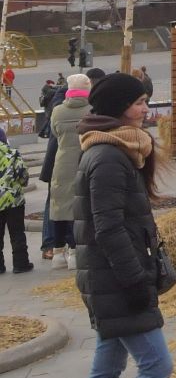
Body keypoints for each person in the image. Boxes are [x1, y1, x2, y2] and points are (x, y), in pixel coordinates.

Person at [73, 71, 174, 378]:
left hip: (108, 278)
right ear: (118, 107)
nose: (145, 109)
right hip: (116, 280)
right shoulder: (109, 156)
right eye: (138, 103)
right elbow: (108, 227)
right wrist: (135, 280)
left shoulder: (116, 149)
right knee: (156, 365)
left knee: (107, 367)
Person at [40, 69, 104, 267]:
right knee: (81, 208)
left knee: (59, 207)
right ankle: (76, 253)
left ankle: (58, 253)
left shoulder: (58, 111)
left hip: (62, 162)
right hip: (86, 160)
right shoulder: (93, 110)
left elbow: (55, 133)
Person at [0, 127, 33, 273]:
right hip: (15, 201)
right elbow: (23, 176)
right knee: (17, 232)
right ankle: (21, 264)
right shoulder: (12, 154)